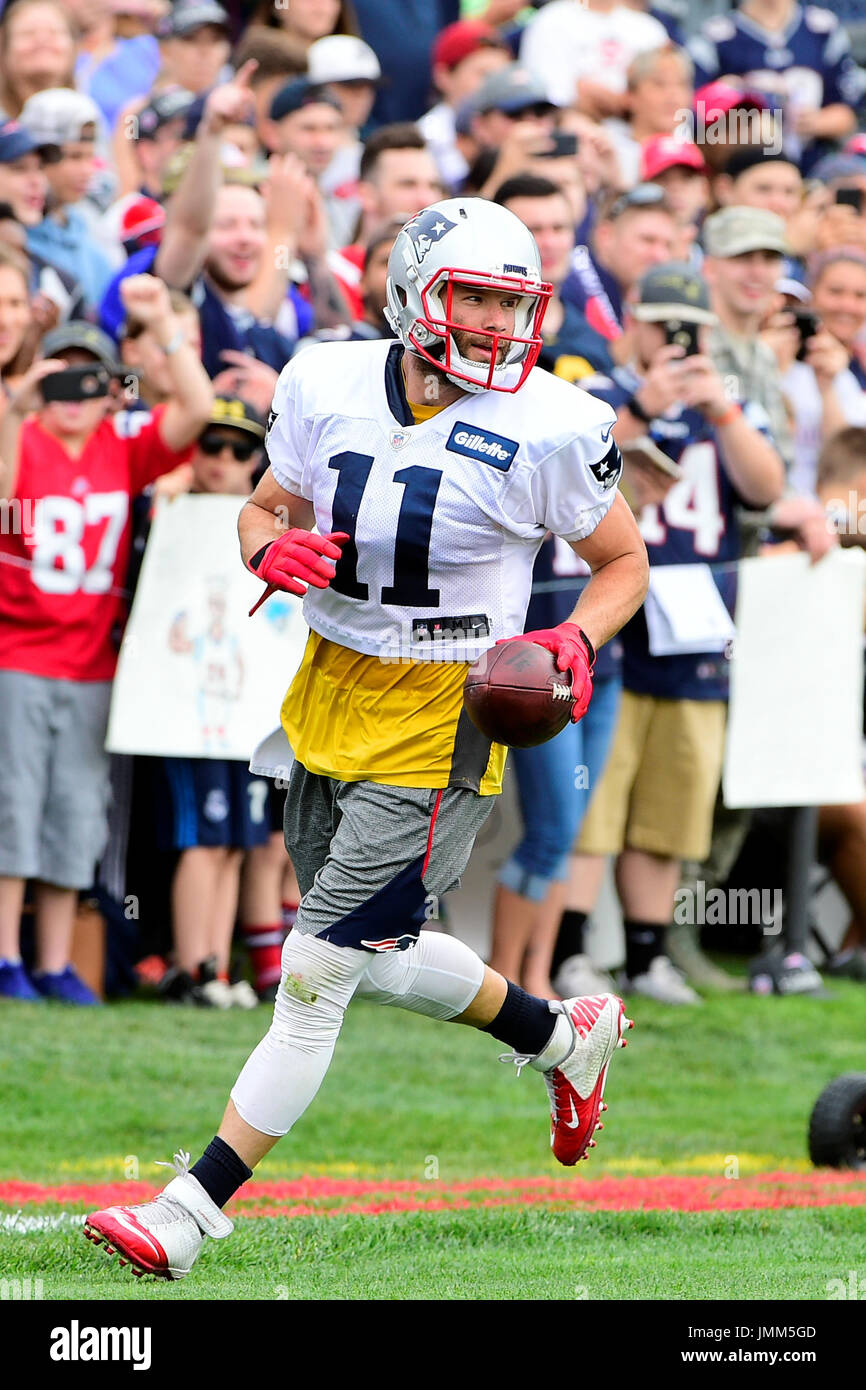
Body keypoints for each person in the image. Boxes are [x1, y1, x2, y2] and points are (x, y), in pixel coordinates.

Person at [81, 196, 648, 1279]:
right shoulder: (322, 378)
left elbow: (621, 563)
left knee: (312, 966)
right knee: (369, 957)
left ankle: (189, 1207)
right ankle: (560, 1035)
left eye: (509, 302)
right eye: (473, 297)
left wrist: (572, 636)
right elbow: (263, 507)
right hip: (327, 688)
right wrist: (265, 552)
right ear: (410, 292)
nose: (494, 324)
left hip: (449, 707)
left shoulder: (553, 422)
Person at [570, 260, 785, 1004]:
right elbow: (571, 468)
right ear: (633, 318)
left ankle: (646, 955)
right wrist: (638, 408)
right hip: (620, 615)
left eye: (691, 330)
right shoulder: (600, 393)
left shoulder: (726, 403)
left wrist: (719, 409)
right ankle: (572, 951)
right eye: (666, 325)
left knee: (670, 804)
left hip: (695, 628)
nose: (678, 341)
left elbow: (767, 488)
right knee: (597, 800)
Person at [0, 275, 213, 1004]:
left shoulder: (121, 453)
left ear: (110, 390)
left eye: (90, 379)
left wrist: (163, 326)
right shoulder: (20, 437)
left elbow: (198, 409)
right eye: (60, 375)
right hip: (17, 656)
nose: (74, 394)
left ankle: (57, 963)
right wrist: (18, 404)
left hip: (94, 664)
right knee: (14, 804)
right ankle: (6, 958)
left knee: (76, 812)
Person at [153, 395, 270, 1010]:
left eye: (240, 449)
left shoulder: (261, 522)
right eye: (211, 445)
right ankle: (191, 966)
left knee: (234, 840)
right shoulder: (170, 509)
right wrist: (162, 498)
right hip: (184, 709)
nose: (223, 459)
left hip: (240, 708)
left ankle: (218, 969)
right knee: (202, 835)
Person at [688, 0, 863, 173]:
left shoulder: (824, 28)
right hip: (744, 172)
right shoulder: (716, 35)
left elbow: (848, 113)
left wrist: (814, 122)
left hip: (812, 167)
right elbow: (695, 117)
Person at [19, 88, 116, 315]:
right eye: (74, 156)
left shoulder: (94, 236)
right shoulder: (12, 238)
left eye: (90, 156)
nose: (87, 171)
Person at [562, 183, 677, 350]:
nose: (660, 256)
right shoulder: (570, 287)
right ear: (606, 236)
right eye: (647, 240)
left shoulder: (627, 293)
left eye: (668, 245)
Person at [520, 0, 668, 117]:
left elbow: (668, 95)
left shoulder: (649, 28)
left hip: (640, 139)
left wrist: (624, 102)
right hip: (573, 136)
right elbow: (546, 97)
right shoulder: (551, 20)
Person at [419, 19, 511, 192]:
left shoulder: (513, 128)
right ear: (444, 75)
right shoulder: (424, 138)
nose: (495, 86)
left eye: (502, 76)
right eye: (484, 74)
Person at [0, 0, 76, 121]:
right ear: (5, 49)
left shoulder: (89, 115)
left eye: (53, 32)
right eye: (28, 33)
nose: (42, 40)